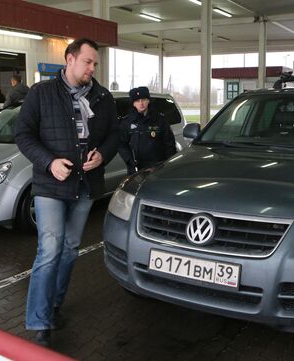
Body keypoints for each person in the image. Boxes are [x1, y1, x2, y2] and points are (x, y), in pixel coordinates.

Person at [15, 38, 118, 347]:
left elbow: (114, 133)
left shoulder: (102, 97)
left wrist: (104, 155)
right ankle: (40, 321)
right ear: (70, 59)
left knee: (71, 248)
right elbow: (23, 134)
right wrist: (49, 162)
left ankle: (54, 305)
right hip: (51, 184)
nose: (92, 68)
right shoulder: (41, 93)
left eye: (95, 63)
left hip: (86, 186)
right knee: (49, 249)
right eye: (87, 61)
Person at [118, 86, 177, 175]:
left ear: (148, 100)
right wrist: (130, 161)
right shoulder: (126, 122)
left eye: (143, 99)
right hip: (135, 169)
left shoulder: (160, 120)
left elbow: (169, 144)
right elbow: (121, 144)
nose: (141, 103)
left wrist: (167, 165)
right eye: (137, 101)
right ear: (133, 103)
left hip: (158, 167)